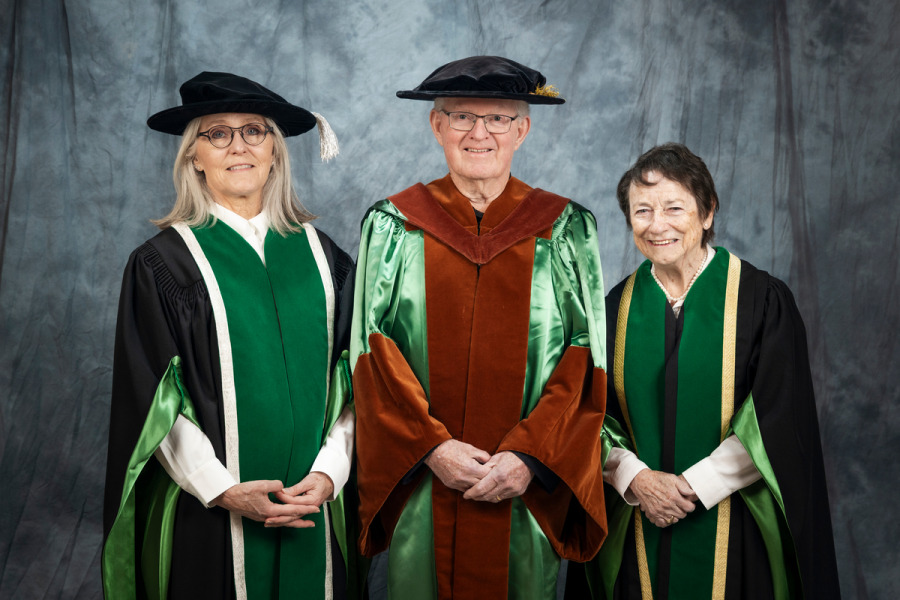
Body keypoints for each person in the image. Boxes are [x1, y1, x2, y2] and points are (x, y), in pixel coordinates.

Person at [350, 55, 608, 600]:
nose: (479, 133)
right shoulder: (393, 224)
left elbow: (584, 356)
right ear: (436, 124)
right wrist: (431, 448)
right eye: (462, 116)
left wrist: (532, 456)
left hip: (524, 488)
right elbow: (372, 351)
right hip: (426, 478)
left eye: (497, 120)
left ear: (523, 130)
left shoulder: (565, 229)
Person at [102, 72, 358, 599]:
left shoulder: (324, 257)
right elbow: (151, 401)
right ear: (194, 155)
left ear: (275, 153)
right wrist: (221, 490)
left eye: (255, 131)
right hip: (213, 516)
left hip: (316, 508)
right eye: (218, 133)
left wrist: (331, 472)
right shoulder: (163, 265)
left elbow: (355, 379)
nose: (238, 146)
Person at [574, 143, 839, 599]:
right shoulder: (612, 312)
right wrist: (636, 478)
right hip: (638, 524)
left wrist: (694, 487)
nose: (658, 225)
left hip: (736, 532)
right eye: (642, 211)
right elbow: (587, 415)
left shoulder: (761, 301)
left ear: (707, 212)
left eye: (674, 208)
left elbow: (777, 417)